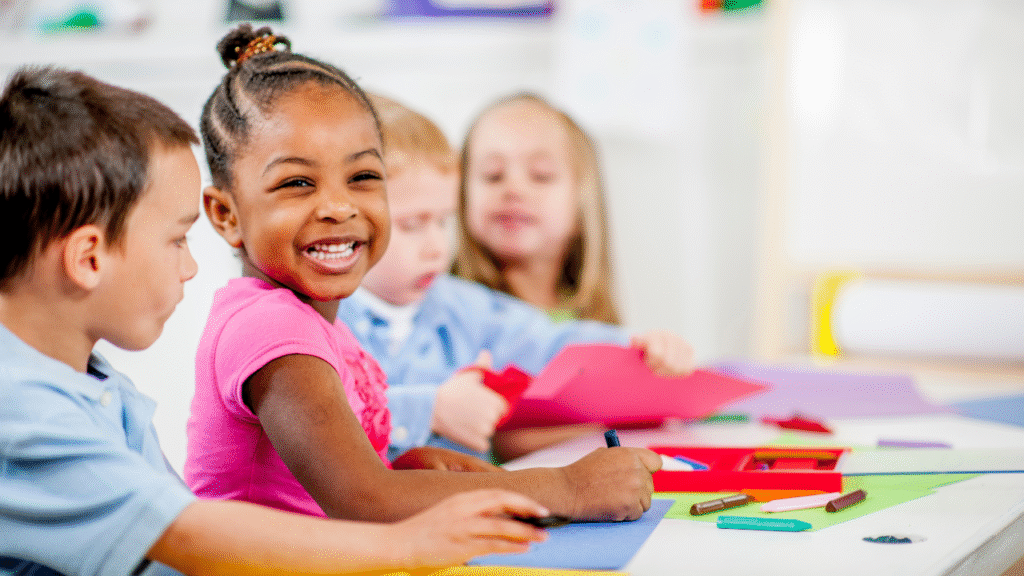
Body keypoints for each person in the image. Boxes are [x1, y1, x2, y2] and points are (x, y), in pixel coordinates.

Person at [0, 66, 549, 576]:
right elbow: (185, 534)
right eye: (176, 240)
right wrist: (409, 542)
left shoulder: (90, 386)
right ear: (88, 258)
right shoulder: (24, 414)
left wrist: (406, 481)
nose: (190, 267)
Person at [185, 23, 662, 526]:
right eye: (297, 182)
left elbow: (339, 484)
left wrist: (411, 466)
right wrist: (568, 487)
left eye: (363, 177)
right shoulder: (272, 329)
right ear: (226, 215)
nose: (338, 206)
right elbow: (365, 499)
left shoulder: (320, 323)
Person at [339, 94, 695, 461]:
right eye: (413, 225)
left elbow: (550, 343)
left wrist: (638, 348)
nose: (436, 247)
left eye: (444, 222)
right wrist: (430, 410)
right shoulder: (323, 318)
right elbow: (317, 416)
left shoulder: (463, 305)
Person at [454, 93, 620, 323]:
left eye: (541, 175)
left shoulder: (597, 331)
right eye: (493, 175)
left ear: (583, 205)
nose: (513, 189)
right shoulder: (444, 316)